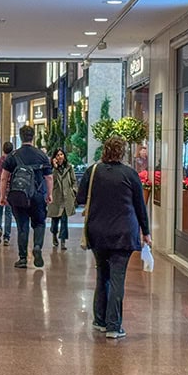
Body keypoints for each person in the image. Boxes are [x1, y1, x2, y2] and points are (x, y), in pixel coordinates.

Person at [75, 136, 151, 339]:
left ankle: (99, 320)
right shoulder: (130, 174)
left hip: (98, 231)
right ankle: (114, 326)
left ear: (105, 150)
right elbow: (139, 206)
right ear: (123, 152)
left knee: (102, 275)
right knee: (118, 278)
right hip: (123, 232)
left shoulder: (92, 172)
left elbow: (81, 198)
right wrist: (146, 231)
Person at [0, 125, 52, 269]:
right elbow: (49, 178)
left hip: (18, 195)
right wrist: (49, 194)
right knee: (40, 223)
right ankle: (37, 247)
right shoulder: (42, 155)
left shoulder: (13, 155)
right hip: (37, 195)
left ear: (20, 136)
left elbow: (4, 178)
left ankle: (22, 258)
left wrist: (3, 196)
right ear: (33, 136)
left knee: (22, 226)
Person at [48, 148, 77, 250]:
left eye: (61, 154)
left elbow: (74, 181)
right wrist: (55, 168)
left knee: (64, 221)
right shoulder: (51, 169)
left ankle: (63, 241)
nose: (60, 157)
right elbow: (52, 181)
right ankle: (54, 234)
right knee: (55, 220)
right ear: (54, 158)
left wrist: (73, 191)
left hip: (66, 198)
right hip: (56, 198)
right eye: (57, 155)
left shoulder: (69, 168)